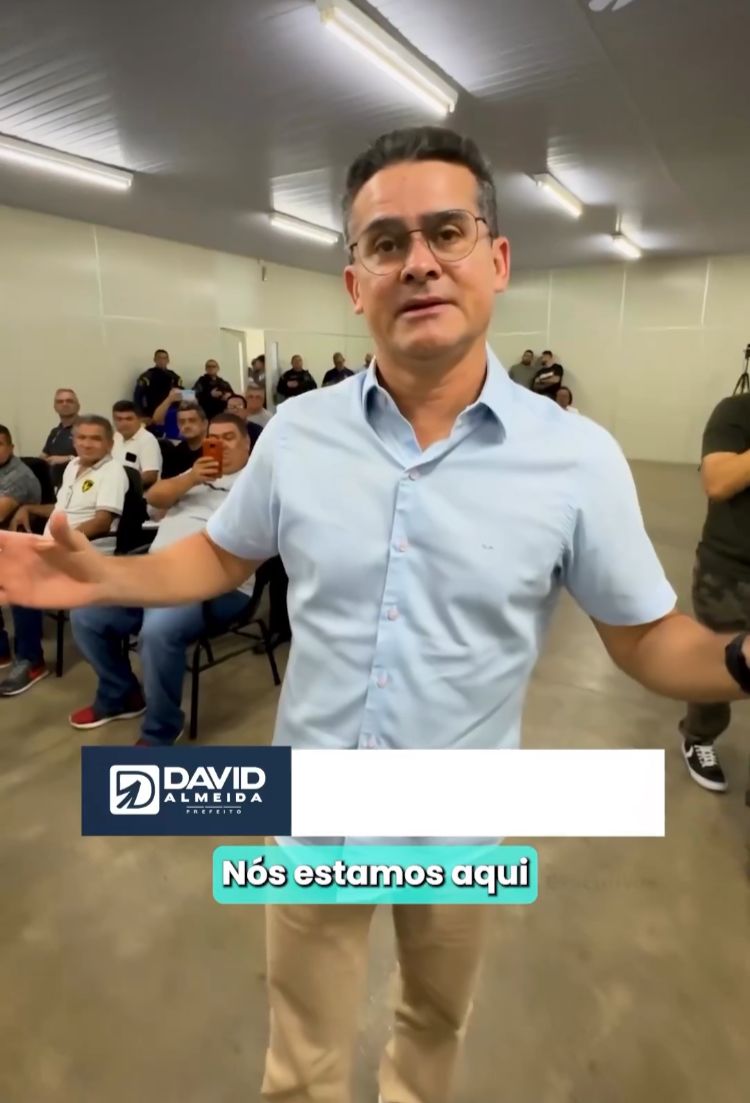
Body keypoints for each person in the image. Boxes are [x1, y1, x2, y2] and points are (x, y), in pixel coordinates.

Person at [2, 126, 749, 1102]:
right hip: (311, 808)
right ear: (357, 283)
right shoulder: (299, 433)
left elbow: (648, 638)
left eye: (447, 231)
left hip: (459, 822)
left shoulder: (578, 457)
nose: (420, 261)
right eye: (388, 242)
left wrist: (741, 658)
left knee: (433, 1027)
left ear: (496, 260)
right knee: (300, 1055)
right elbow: (225, 552)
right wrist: (104, 579)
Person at [69, 413, 255, 745]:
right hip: (157, 571)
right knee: (85, 612)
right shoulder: (194, 474)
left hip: (217, 582)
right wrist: (192, 478)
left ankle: (162, 728)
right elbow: (153, 498)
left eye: (229, 438)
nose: (220, 445)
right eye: (214, 438)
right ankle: (121, 694)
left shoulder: (256, 483)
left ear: (248, 444)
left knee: (158, 631)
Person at [0, 415, 126, 696]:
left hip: (85, 552)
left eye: (95, 438)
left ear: (109, 443)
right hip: (52, 547)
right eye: (82, 437)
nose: (87, 444)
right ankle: (5, 648)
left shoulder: (113, 472)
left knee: (19, 577)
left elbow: (101, 522)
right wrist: (29, 508)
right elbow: (61, 510)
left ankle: (31, 661)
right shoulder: (72, 466)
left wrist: (59, 542)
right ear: (74, 440)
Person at [678, 393, 750, 791]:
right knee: (717, 668)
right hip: (731, 575)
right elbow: (718, 481)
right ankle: (699, 737)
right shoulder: (736, 412)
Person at [0, 426, 42, 667]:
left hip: (23, 545)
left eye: (0, 444)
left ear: (11, 447)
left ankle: (28, 659)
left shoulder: (18, 476)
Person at [111, 400, 162, 487]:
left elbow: (150, 476)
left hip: (136, 492)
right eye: (119, 419)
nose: (124, 423)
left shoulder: (147, 440)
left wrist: (122, 485)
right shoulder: (116, 436)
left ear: (139, 420)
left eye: (129, 419)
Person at [133, 349, 183, 436]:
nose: (162, 360)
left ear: (168, 360)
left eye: (164, 358)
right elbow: (138, 397)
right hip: (152, 416)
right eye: (159, 358)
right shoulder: (147, 376)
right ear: (155, 360)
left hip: (171, 415)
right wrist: (141, 416)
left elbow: (182, 394)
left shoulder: (174, 377)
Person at [41, 388, 80, 484]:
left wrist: (69, 458)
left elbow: (98, 460)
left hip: (79, 483)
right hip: (56, 486)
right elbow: (44, 455)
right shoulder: (55, 432)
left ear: (78, 406)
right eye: (60, 401)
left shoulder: (87, 429)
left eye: (69, 401)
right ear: (55, 407)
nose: (64, 404)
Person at [162, 402, 208, 478]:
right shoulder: (174, 454)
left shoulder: (214, 449)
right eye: (182, 422)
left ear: (205, 424)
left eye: (192, 420)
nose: (186, 426)